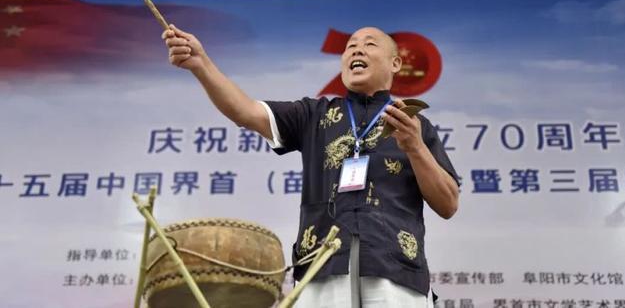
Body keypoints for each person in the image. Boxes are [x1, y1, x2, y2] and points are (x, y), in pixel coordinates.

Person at [163, 25, 460, 307]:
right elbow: (246, 112)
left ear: (395, 63)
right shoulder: (314, 114)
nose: (357, 50)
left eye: (370, 44)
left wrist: (415, 147)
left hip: (395, 272)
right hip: (322, 267)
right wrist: (201, 64)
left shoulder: (415, 126)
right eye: (351, 46)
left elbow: (448, 204)